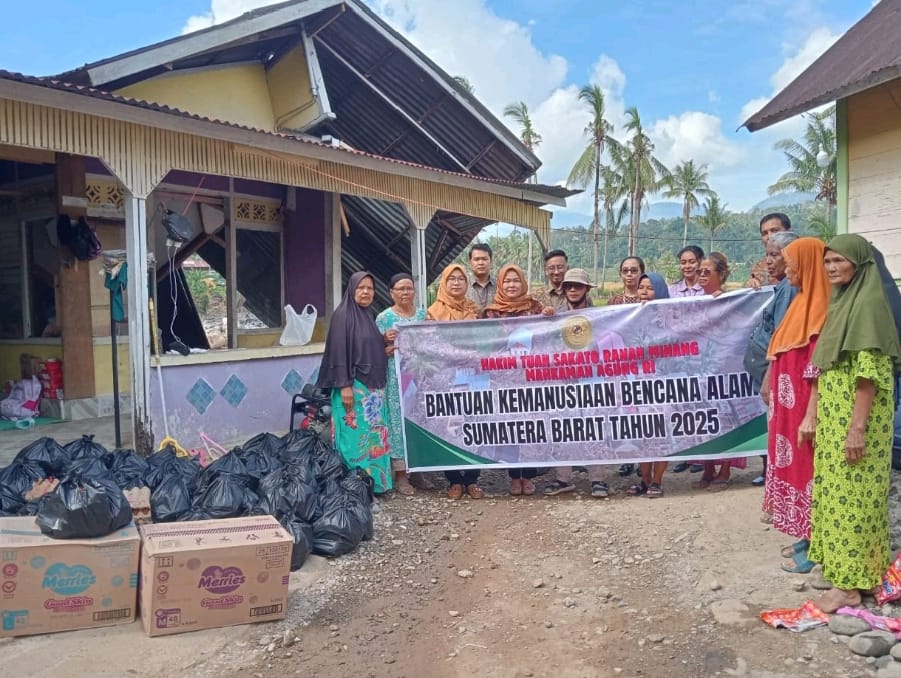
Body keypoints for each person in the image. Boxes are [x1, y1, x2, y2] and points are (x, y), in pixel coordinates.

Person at [804, 235, 901, 613]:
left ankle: (848, 588)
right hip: (836, 418)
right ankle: (861, 573)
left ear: (859, 264)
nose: (830, 268)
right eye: (827, 261)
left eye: (839, 261)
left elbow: (869, 376)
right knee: (841, 496)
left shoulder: (868, 305)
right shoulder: (844, 300)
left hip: (857, 421)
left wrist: (857, 428)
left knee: (855, 502)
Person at [764, 238, 831, 573]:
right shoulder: (799, 302)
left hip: (804, 408)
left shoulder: (822, 308)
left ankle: (816, 546)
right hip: (787, 409)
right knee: (793, 468)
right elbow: (780, 352)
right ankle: (804, 537)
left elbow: (817, 367)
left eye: (790, 261)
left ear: (806, 263)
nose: (787, 267)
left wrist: (811, 413)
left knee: (809, 472)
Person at [316, 271, 392, 494]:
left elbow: (367, 349)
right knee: (353, 440)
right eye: (361, 288)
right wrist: (344, 385)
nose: (366, 292)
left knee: (373, 439)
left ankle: (375, 485)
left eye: (370, 288)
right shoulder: (343, 316)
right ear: (352, 290)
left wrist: (384, 344)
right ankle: (354, 487)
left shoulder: (367, 316)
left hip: (372, 391)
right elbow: (339, 353)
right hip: (352, 388)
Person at [482, 264, 554, 495]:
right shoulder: (490, 313)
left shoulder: (535, 308)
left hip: (531, 378)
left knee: (531, 426)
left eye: (516, 281)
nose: (511, 285)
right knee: (509, 426)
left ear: (522, 283)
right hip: (502, 378)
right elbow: (480, 343)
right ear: (500, 284)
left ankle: (529, 475)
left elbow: (546, 337)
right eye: (507, 281)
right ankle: (514, 476)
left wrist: (551, 317)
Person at [543, 268, 609, 498]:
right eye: (569, 286)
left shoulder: (600, 317)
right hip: (562, 382)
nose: (572, 290)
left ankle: (598, 479)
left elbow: (607, 346)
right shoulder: (554, 318)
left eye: (578, 286)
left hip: (592, 382)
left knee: (593, 430)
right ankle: (563, 478)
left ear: (586, 289)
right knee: (563, 431)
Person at [744, 230, 801, 489]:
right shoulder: (782, 286)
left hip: (772, 371)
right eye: (767, 254)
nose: (768, 261)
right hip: (767, 370)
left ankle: (781, 481)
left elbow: (781, 337)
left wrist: (769, 377)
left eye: (775, 255)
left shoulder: (789, 289)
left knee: (779, 427)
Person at [426, 264, 484, 500]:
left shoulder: (474, 309)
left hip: (474, 373)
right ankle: (454, 480)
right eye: (452, 279)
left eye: (461, 278)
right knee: (448, 425)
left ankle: (472, 479)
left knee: (475, 424)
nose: (457, 283)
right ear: (444, 283)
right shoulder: (433, 312)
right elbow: (429, 345)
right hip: (446, 375)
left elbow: (485, 340)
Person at [693, 252, 746, 488]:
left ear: (721, 274)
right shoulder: (691, 303)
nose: (702, 275)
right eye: (699, 272)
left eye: (707, 272)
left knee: (727, 419)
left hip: (725, 369)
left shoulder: (731, 301)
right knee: (703, 418)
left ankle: (724, 469)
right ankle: (707, 467)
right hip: (700, 368)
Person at [376, 273, 427, 496]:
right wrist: (383, 347)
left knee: (419, 419)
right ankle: (400, 475)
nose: (405, 292)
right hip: (396, 378)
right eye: (400, 289)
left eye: (409, 288)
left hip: (420, 377)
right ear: (391, 293)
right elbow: (374, 349)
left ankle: (419, 470)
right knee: (398, 423)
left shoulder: (424, 315)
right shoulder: (384, 319)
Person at [627, 273, 671, 497]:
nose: (643, 291)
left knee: (660, 433)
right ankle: (644, 480)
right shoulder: (629, 316)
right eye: (641, 287)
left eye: (650, 288)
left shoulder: (671, 318)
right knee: (641, 432)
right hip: (637, 383)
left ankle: (657, 480)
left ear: (660, 291)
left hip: (662, 383)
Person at [748, 213, 791, 288]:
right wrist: (752, 286)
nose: (770, 236)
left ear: (789, 232)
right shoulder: (758, 270)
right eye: (764, 233)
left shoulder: (804, 262)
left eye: (774, 230)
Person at [466, 243, 496, 312]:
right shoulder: (463, 286)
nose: (480, 263)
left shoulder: (500, 286)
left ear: (491, 261)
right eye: (476, 259)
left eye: (484, 259)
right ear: (470, 262)